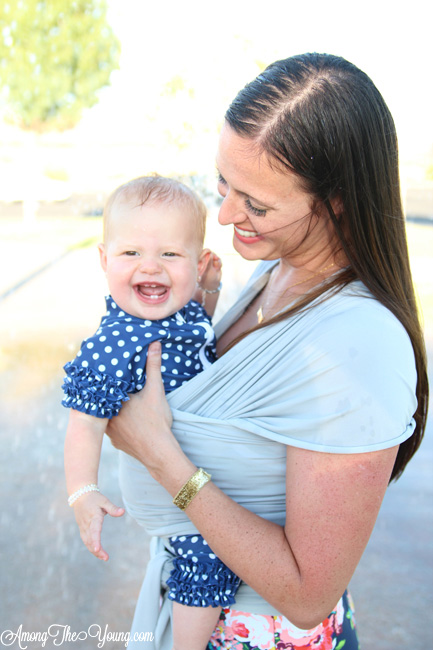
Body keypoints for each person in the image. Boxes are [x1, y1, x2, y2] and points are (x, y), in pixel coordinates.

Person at [106, 54, 429, 650]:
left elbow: (309, 594)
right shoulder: (278, 269)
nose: (226, 216)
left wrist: (159, 457)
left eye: (256, 204)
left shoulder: (361, 345)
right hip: (194, 609)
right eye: (223, 184)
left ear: (336, 199)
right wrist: (186, 330)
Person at [62, 175, 241, 650]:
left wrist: (209, 293)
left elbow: (198, 333)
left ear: (197, 263)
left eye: (170, 255)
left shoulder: (180, 311)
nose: (151, 268)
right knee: (207, 557)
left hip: (192, 473)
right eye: (131, 254)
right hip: (171, 490)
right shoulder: (116, 342)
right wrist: (83, 491)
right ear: (104, 260)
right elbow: (84, 422)